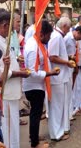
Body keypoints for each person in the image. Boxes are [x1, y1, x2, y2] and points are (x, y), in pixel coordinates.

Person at [0, 10, 30, 148]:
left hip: (11, 92)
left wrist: (17, 63)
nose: (11, 32)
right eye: (11, 28)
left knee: (13, 129)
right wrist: (18, 73)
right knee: (8, 129)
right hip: (5, 92)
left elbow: (7, 62)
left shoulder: (3, 40)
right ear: (5, 25)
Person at [23, 20, 60, 148]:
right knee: (35, 114)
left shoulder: (36, 42)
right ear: (42, 34)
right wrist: (50, 74)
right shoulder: (34, 47)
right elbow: (33, 72)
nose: (50, 39)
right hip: (33, 86)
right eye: (49, 36)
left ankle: (34, 136)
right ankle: (35, 143)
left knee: (36, 113)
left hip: (37, 84)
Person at [48, 17, 74, 141]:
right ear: (64, 26)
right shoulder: (56, 36)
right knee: (57, 106)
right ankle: (56, 133)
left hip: (60, 76)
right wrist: (67, 62)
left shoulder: (58, 36)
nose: (69, 31)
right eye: (68, 28)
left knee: (60, 105)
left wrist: (66, 58)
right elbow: (52, 57)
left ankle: (61, 129)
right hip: (56, 77)